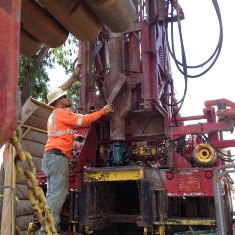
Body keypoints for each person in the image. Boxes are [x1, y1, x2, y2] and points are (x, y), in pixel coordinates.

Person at [39, 87, 114, 235]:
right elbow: (83, 120)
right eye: (65, 96)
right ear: (59, 100)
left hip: (50, 157)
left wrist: (73, 138)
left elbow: (57, 135)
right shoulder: (62, 113)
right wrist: (103, 111)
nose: (68, 98)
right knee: (57, 195)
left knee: (52, 194)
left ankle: (47, 227)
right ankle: (49, 230)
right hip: (58, 157)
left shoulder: (53, 116)